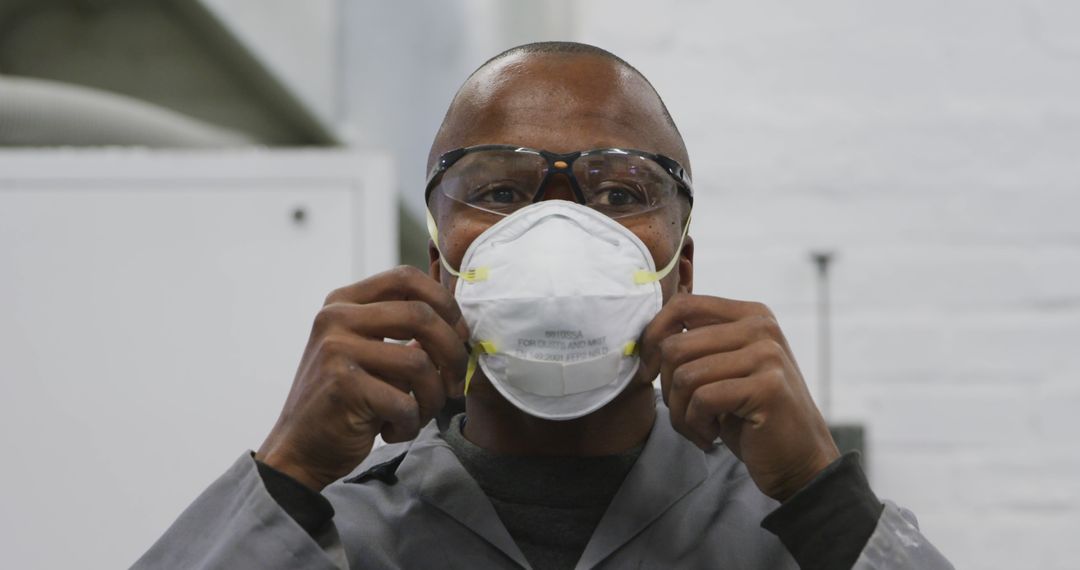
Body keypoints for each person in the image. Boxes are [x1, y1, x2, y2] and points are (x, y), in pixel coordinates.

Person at [135, 42, 952, 569]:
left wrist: (825, 498)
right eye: (497, 190)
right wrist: (285, 472)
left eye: (621, 191)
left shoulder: (795, 540)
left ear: (682, 268)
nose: (555, 226)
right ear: (440, 264)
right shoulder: (326, 538)